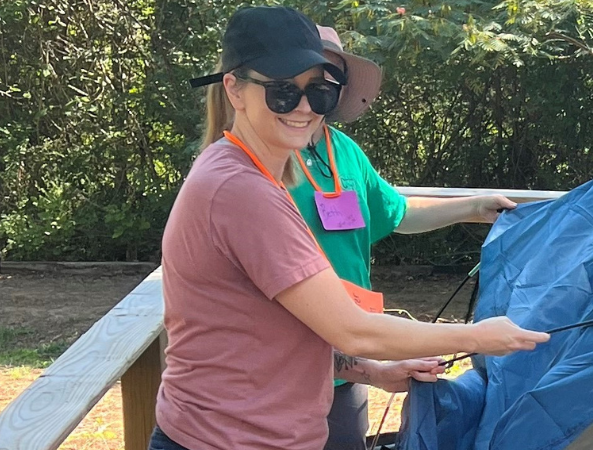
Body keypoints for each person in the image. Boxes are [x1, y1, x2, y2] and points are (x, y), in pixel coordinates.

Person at [157, 7, 548, 449]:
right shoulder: (242, 192)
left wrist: (369, 371)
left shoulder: (246, 171)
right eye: (283, 92)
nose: (303, 107)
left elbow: (274, 331)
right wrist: (478, 336)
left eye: (318, 92)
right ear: (235, 89)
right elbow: (353, 329)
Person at [294, 25, 519, 450]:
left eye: (327, 79)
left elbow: (397, 214)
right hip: (282, 367)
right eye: (302, 77)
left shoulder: (343, 150)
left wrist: (472, 208)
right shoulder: (256, 163)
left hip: (347, 360)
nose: (313, 92)